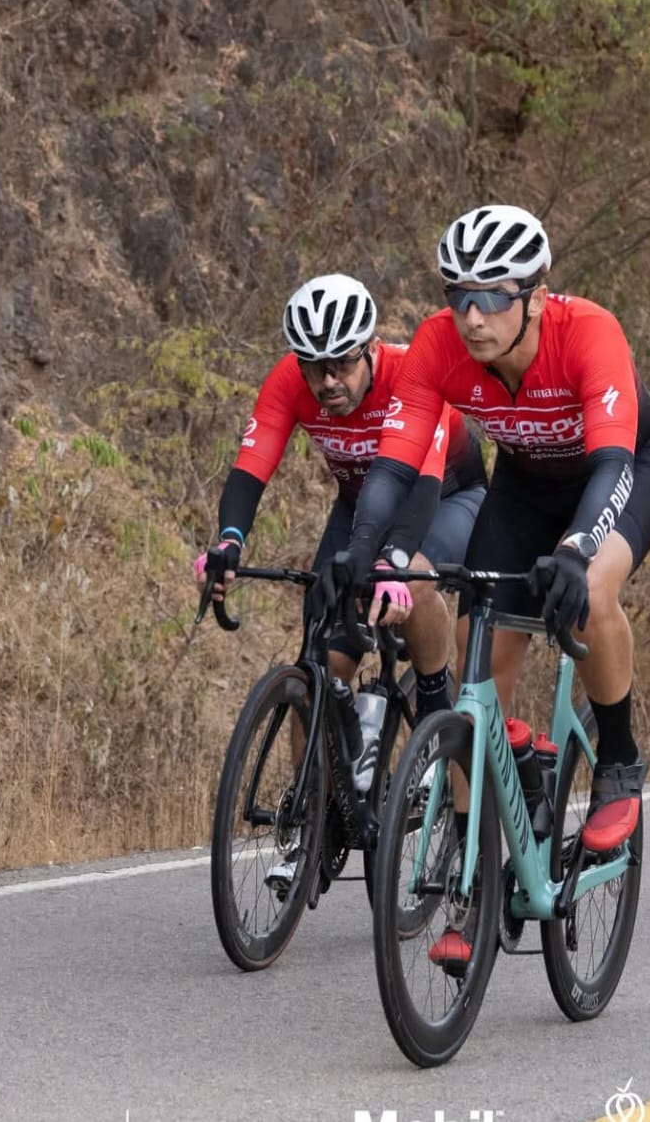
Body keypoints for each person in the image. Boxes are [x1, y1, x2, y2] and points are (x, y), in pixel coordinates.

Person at [344, 205, 650, 967]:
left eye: (493, 295)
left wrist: (578, 547)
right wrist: (365, 549)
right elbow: (395, 462)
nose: (472, 315)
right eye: (458, 295)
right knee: (476, 677)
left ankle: (618, 758)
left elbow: (614, 465)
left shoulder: (588, 332)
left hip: (618, 473)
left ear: (537, 294)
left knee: (589, 589)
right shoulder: (437, 344)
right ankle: (477, 881)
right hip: (524, 484)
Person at [196, 274, 488, 882]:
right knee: (320, 667)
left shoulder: (413, 375)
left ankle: (435, 702)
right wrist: (228, 542)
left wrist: (397, 564)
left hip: (445, 497)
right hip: (358, 510)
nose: (327, 383)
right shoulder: (290, 383)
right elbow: (252, 467)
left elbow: (425, 484)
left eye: (341, 366)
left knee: (417, 581)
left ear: (372, 349)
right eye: (314, 368)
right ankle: (315, 822)